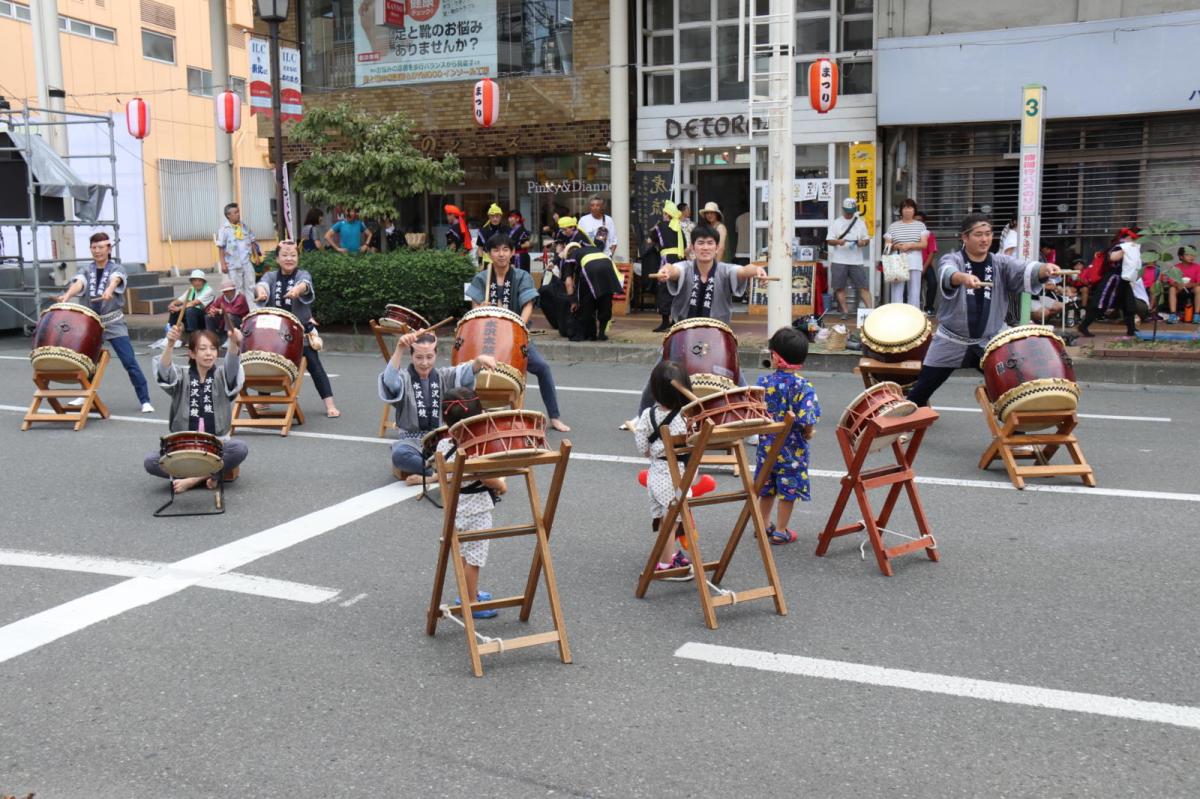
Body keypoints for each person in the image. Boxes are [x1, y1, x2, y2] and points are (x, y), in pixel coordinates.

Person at [906, 213, 1062, 407]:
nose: (985, 239)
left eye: (988, 234)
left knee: (1013, 389)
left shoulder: (1000, 263)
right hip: (951, 340)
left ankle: (1015, 432)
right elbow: (947, 272)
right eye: (978, 234)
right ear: (965, 237)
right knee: (922, 389)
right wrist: (962, 278)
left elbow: (1024, 269)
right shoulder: (952, 259)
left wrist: (1044, 268)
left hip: (990, 342)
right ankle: (900, 425)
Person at [633, 225, 767, 414]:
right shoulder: (685, 268)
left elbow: (743, 270)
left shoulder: (725, 270)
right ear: (693, 247)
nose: (705, 248)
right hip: (683, 334)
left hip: (716, 335)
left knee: (735, 376)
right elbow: (674, 269)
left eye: (710, 243)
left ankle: (750, 417)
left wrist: (756, 271)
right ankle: (642, 417)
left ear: (717, 247)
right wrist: (667, 271)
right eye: (700, 243)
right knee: (658, 373)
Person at [466, 233, 571, 432]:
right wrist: (482, 307)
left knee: (542, 367)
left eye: (505, 249)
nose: (501, 254)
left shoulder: (522, 276)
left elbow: (528, 305)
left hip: (515, 337)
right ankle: (471, 415)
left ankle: (555, 417)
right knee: (465, 371)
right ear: (488, 254)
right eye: (496, 250)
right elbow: (474, 310)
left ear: (513, 252)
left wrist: (517, 330)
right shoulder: (481, 278)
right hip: (487, 338)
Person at [379, 328, 496, 484]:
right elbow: (389, 381)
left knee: (472, 446)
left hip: (442, 440)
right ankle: (444, 472)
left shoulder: (443, 375)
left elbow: (464, 373)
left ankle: (435, 474)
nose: (424, 363)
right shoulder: (404, 378)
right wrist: (400, 348)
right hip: (412, 442)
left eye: (429, 357)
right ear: (411, 356)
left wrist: (478, 361)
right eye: (419, 357)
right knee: (400, 454)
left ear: (436, 355)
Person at [55, 231, 153, 413]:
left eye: (101, 247)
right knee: (86, 361)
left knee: (129, 360)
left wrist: (109, 289)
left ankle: (145, 399)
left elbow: (115, 280)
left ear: (109, 248)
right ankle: (84, 395)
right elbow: (79, 283)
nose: (97, 251)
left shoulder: (117, 269)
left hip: (113, 322)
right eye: (94, 247)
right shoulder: (86, 269)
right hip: (91, 323)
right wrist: (67, 295)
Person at [143, 326, 248, 493]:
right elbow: (165, 372)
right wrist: (170, 343)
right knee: (150, 461)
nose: (209, 353)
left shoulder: (222, 375)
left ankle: (193, 479)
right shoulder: (181, 376)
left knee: (239, 448)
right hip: (184, 448)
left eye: (213, 349)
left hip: (216, 446)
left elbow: (233, 365)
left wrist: (234, 343)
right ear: (191, 353)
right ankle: (212, 475)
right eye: (203, 349)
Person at [435, 387, 508, 618]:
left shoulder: (443, 446)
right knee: (474, 558)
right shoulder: (473, 452)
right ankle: (471, 601)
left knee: (465, 553)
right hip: (476, 512)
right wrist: (502, 484)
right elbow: (490, 480)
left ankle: (469, 592)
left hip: (456, 510)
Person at [254, 240, 342, 417]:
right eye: (284, 255)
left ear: (298, 258)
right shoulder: (271, 276)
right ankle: (264, 399)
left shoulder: (303, 274)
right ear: (277, 259)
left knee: (315, 365)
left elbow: (305, 284)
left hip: (300, 331)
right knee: (267, 361)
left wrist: (297, 290)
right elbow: (261, 284)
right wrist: (261, 293)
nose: (289, 258)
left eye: (293, 255)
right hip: (275, 334)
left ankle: (330, 405)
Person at [755, 327, 821, 545]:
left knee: (766, 486)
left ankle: (763, 525)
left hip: (767, 448)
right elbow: (807, 420)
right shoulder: (804, 387)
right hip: (793, 451)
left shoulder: (763, 383)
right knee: (788, 489)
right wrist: (808, 434)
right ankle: (781, 530)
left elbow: (755, 412)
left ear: (774, 356)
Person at [633, 360, 696, 581]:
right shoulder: (686, 418)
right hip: (675, 475)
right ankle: (665, 564)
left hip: (655, 474)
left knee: (663, 519)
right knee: (672, 522)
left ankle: (669, 554)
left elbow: (643, 448)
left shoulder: (647, 415)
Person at [1077, 228, 1140, 338]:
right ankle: (1084, 325)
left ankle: (1131, 329)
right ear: (1130, 237)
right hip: (1113, 279)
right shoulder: (1120, 245)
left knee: (1129, 304)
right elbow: (1112, 258)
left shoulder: (1131, 246)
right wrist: (1126, 250)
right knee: (1100, 304)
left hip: (1124, 279)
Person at [561, 241, 622, 342]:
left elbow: (568, 282)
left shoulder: (571, 256)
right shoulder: (592, 249)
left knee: (586, 304)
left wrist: (573, 300)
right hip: (608, 267)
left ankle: (587, 334)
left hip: (591, 269)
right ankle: (602, 333)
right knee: (605, 302)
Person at [827, 197, 872, 317]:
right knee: (839, 286)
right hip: (839, 259)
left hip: (856, 260)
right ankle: (845, 311)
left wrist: (863, 242)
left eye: (851, 212)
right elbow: (829, 240)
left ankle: (870, 311)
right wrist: (838, 242)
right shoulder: (836, 222)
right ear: (843, 210)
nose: (849, 214)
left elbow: (866, 239)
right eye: (847, 211)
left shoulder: (860, 222)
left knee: (863, 286)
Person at [649, 201, 688, 332]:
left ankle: (665, 322)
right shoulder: (679, 228)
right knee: (677, 289)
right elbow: (686, 245)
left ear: (666, 214)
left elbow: (651, 238)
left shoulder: (661, 226)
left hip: (667, 260)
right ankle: (676, 321)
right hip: (680, 260)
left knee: (664, 289)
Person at [883, 199, 929, 307]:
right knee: (896, 291)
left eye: (910, 207)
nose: (907, 210)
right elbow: (887, 246)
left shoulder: (920, 226)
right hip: (897, 259)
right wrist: (896, 246)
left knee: (914, 291)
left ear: (914, 210)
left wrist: (911, 245)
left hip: (914, 259)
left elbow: (924, 244)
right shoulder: (893, 226)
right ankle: (896, 315)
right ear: (901, 210)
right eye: (905, 208)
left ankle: (914, 316)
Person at [216, 203, 260, 310]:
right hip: (233, 264)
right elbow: (221, 247)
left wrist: (256, 256)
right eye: (234, 213)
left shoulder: (244, 227)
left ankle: (253, 310)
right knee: (237, 288)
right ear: (228, 215)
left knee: (251, 286)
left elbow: (252, 240)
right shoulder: (224, 229)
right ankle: (240, 311)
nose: (238, 214)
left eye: (238, 211)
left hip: (246, 262)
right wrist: (223, 264)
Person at [156, 270, 214, 347]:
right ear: (192, 282)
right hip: (192, 316)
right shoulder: (191, 289)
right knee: (174, 311)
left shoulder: (208, 290)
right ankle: (172, 333)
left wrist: (179, 308)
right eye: (194, 280)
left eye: (199, 280)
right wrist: (172, 304)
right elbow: (180, 300)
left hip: (204, 317)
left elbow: (194, 303)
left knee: (190, 310)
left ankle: (193, 337)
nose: (197, 283)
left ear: (203, 282)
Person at [205, 278, 249, 344]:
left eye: (229, 291)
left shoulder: (241, 298)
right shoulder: (221, 298)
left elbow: (233, 311)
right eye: (224, 291)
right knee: (208, 317)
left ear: (234, 290)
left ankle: (229, 338)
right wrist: (212, 311)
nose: (226, 293)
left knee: (229, 315)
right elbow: (213, 306)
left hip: (240, 321)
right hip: (225, 320)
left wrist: (219, 311)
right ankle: (212, 338)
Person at [1165, 246, 1199, 324]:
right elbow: (1171, 281)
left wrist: (1191, 285)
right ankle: (1173, 315)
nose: (1191, 257)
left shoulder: (1197, 267)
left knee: (1198, 289)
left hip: (1192, 287)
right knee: (1172, 289)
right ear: (1181, 256)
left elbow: (1199, 282)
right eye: (1188, 255)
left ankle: (1197, 315)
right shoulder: (1176, 267)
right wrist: (1178, 284)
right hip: (1180, 288)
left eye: (1193, 255)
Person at [917, 211, 939, 315]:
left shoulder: (929, 234)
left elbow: (932, 252)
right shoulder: (909, 234)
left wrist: (924, 268)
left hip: (925, 264)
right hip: (911, 265)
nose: (918, 223)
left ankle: (929, 307)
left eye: (920, 221)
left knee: (933, 283)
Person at [475, 203, 509, 269]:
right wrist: (480, 262)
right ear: (489, 217)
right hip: (487, 262)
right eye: (492, 216)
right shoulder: (483, 231)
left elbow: (511, 247)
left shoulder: (507, 230)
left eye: (497, 216)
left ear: (501, 217)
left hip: (503, 262)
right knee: (488, 279)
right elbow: (480, 248)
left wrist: (511, 261)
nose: (495, 219)